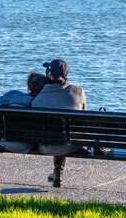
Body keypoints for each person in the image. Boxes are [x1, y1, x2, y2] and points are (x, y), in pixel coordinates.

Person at [31, 58, 86, 188]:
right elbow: (84, 115)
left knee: (56, 132)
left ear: (49, 74)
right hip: (72, 144)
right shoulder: (78, 90)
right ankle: (58, 172)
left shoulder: (39, 98)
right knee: (64, 132)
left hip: (45, 146)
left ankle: (57, 172)